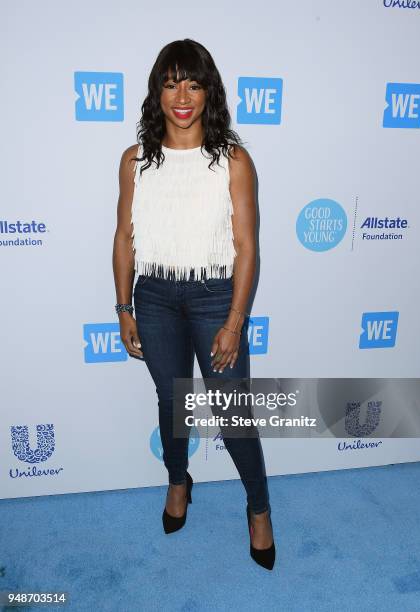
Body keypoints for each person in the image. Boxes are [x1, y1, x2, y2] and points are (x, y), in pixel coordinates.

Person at [112, 38, 275, 570]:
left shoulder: (233, 160)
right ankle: (178, 482)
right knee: (171, 402)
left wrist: (234, 320)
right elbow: (123, 237)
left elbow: (247, 246)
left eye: (193, 83)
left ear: (209, 92)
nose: (181, 95)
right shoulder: (135, 160)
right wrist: (124, 307)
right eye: (170, 82)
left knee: (231, 412)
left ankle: (257, 509)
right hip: (153, 296)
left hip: (213, 298)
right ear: (157, 92)